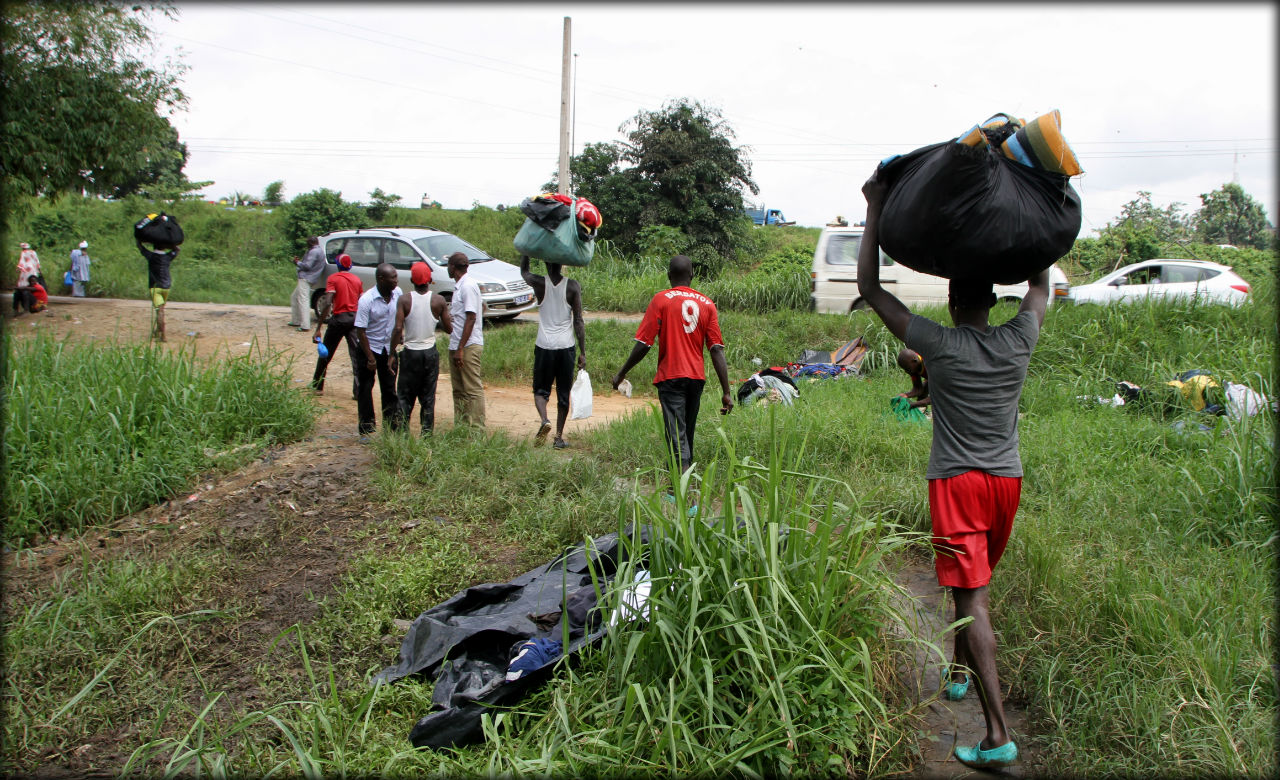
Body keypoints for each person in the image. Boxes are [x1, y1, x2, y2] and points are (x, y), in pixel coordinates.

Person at [856, 169, 1049, 770]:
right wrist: (1040, 203)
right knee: (971, 586)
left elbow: (869, 285)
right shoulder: (1020, 339)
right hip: (1006, 483)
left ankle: (996, 735)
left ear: (951, 300)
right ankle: (961, 672)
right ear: (993, 299)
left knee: (974, 600)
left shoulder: (937, 344)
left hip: (958, 483)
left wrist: (875, 207)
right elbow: (1042, 286)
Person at [611, 254, 733, 481]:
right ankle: (672, 489)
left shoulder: (661, 299)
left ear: (669, 276)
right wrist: (726, 392)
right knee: (684, 434)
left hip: (672, 377)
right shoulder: (707, 303)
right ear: (692, 276)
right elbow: (716, 349)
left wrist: (622, 372)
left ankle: (688, 499)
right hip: (696, 379)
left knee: (677, 437)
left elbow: (644, 344)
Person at [520, 254, 586, 449]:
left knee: (540, 390)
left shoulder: (539, 283)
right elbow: (578, 320)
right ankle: (558, 437)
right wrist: (583, 352)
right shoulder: (572, 286)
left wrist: (526, 251)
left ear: (546, 263)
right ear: (562, 263)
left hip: (544, 346)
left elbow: (524, 272)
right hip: (566, 347)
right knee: (563, 393)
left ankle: (544, 420)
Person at [390, 261, 452, 435]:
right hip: (430, 353)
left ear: (411, 279)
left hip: (410, 353)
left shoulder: (404, 300)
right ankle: (426, 436)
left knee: (404, 396)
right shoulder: (438, 300)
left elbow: (397, 329)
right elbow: (448, 329)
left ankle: (402, 435)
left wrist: (391, 353)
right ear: (429, 279)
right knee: (428, 398)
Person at [353, 262, 403, 436]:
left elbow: (399, 319)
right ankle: (366, 429)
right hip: (370, 349)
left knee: (389, 389)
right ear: (381, 279)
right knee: (365, 389)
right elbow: (361, 331)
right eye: (393, 277)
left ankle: (391, 428)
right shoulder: (367, 300)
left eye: (396, 276)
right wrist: (370, 357)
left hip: (388, 349)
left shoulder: (397, 294)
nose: (396, 280)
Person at [311, 253, 364, 396]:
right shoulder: (357, 280)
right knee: (355, 356)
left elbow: (328, 302)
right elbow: (361, 300)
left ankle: (317, 386)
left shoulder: (333, 279)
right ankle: (358, 391)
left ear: (337, 265)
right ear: (350, 266)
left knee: (326, 353)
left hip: (339, 319)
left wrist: (318, 328)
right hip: (354, 319)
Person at [447, 251, 486, 428]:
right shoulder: (461, 286)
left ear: (453, 267)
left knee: (472, 389)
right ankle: (461, 427)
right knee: (459, 390)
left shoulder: (467, 286)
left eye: (448, 265)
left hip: (468, 345)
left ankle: (477, 429)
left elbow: (471, 317)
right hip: (458, 344)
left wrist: (461, 348)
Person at [137, 239, 180, 343]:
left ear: (154, 246)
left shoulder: (150, 256)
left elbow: (139, 246)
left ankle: (163, 335)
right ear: (164, 247)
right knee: (161, 309)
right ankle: (157, 331)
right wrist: (170, 243)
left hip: (155, 287)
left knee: (159, 311)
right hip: (166, 287)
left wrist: (143, 240)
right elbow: (177, 249)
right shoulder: (167, 257)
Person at [290, 236, 326, 331]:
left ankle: (305, 325)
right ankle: (296, 320)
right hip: (310, 278)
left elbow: (307, 266)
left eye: (307, 242)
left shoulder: (313, 252)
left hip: (306, 278)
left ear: (310, 243)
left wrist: (297, 262)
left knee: (303, 301)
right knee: (294, 297)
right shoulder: (320, 251)